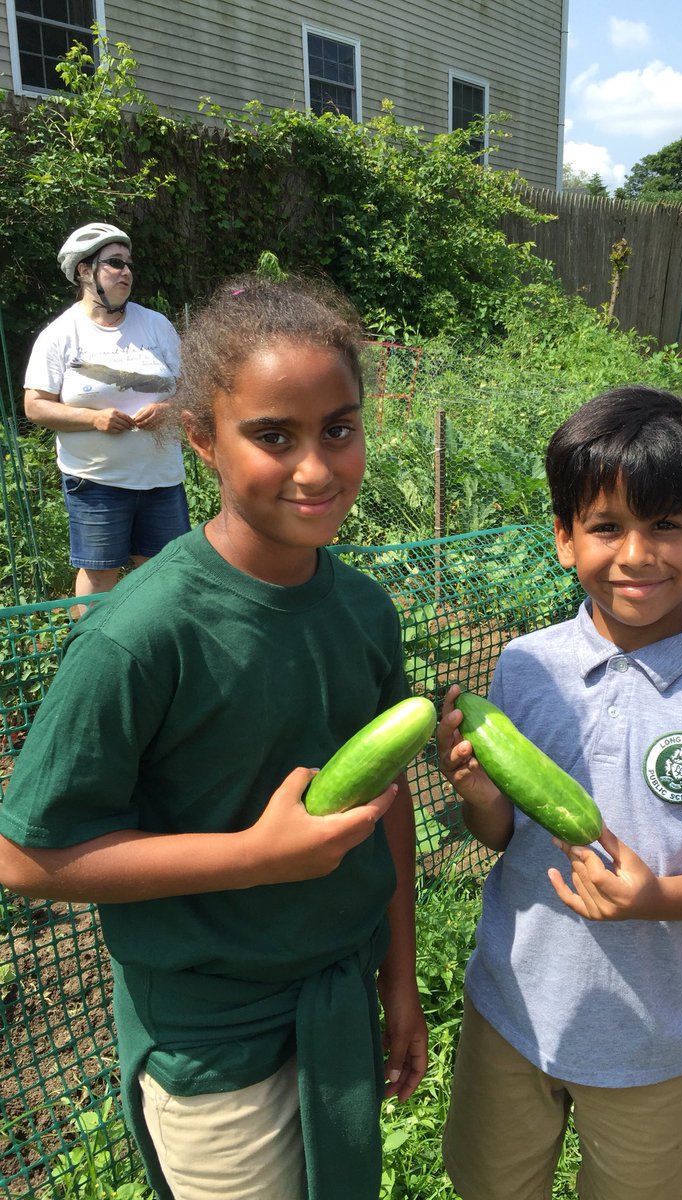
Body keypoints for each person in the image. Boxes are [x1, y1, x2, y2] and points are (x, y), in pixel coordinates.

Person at [0, 274, 428, 1200]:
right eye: (273, 436)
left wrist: (401, 976)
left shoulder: (363, 609)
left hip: (340, 996)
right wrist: (255, 858)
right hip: (211, 1036)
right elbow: (28, 859)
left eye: (338, 429)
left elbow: (385, 808)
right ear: (200, 439)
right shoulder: (140, 633)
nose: (315, 468)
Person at [436, 386, 682, 1200]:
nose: (637, 555)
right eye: (607, 527)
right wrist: (479, 793)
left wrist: (656, 896)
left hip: (650, 1042)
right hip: (512, 1009)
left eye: (666, 525)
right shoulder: (524, 667)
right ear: (566, 539)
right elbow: (501, 834)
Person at [23, 222, 190, 600]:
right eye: (115, 263)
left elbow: (188, 390)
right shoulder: (60, 335)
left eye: (128, 264)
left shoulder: (157, 325)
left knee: (165, 575)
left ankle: (158, 653)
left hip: (161, 479)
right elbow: (35, 406)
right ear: (84, 271)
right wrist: (94, 419)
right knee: (100, 580)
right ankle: (88, 651)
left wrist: (168, 408)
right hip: (96, 483)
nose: (126, 272)